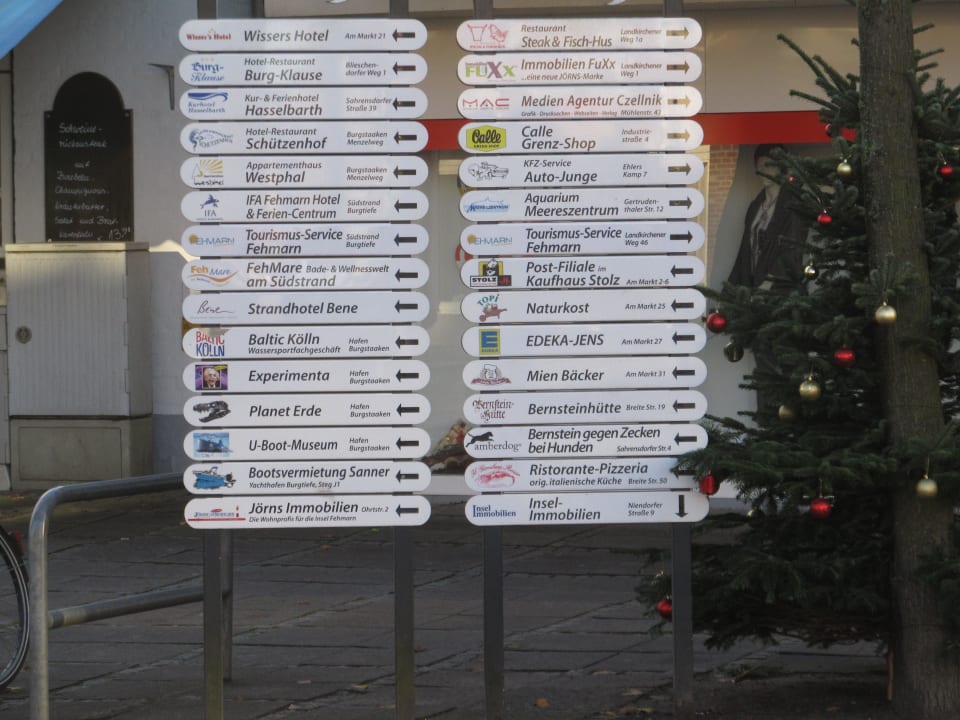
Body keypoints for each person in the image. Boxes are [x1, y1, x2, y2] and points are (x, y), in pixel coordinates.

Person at [728, 144, 805, 288]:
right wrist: (733, 287)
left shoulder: (793, 205)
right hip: (751, 285)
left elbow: (792, 251)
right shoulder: (754, 207)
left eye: (769, 165)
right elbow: (744, 251)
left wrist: (768, 284)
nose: (764, 171)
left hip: (780, 290)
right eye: (760, 166)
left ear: (781, 168)